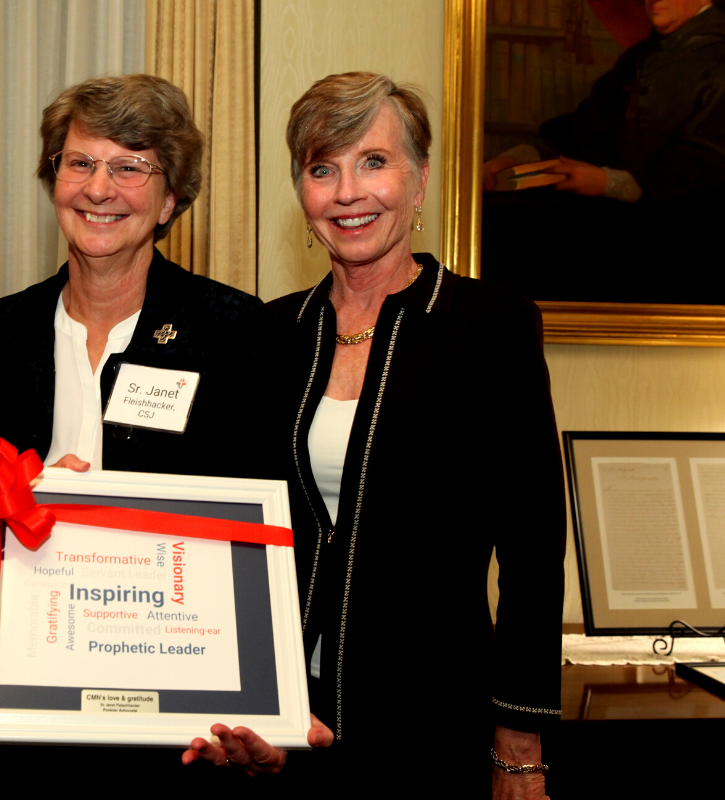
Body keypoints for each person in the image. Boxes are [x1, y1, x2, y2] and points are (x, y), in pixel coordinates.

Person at [184, 73, 566, 798]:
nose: (348, 192)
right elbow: (221, 529)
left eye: (374, 162)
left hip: (429, 725)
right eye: (322, 168)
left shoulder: (491, 327)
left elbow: (532, 551)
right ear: (302, 192)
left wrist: (519, 747)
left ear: (419, 182)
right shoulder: (270, 333)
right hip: (277, 721)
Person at [0, 73, 278, 797]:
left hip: (183, 723)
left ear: (171, 197)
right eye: (79, 163)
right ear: (53, 180)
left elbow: (260, 532)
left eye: (130, 166)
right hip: (32, 710)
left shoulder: (234, 332)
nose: (98, 188)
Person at [481, 0, 725, 303]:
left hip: (686, 244)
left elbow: (707, 166)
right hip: (618, 230)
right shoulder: (638, 60)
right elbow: (583, 131)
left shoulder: (719, 58)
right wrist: (516, 157)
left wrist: (607, 181)